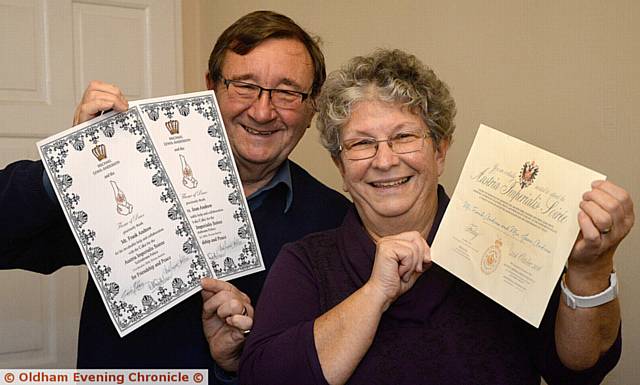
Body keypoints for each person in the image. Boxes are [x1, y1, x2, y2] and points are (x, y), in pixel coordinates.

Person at [239, 49, 634, 385]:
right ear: (341, 167)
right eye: (361, 143)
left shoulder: (509, 240)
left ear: (440, 151)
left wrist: (591, 269)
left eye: (404, 137)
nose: (385, 160)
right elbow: (266, 377)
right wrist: (376, 293)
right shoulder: (306, 262)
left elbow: (579, 370)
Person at [0, 11, 350, 383]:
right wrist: (71, 167)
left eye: (287, 92)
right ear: (210, 89)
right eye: (244, 85)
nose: (262, 111)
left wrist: (232, 366)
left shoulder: (336, 222)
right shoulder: (137, 178)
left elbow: (318, 367)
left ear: (312, 106)